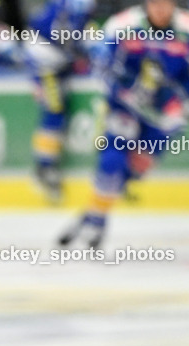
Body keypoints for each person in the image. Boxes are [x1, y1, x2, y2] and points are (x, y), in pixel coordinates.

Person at [59, 0, 189, 248]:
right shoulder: (122, 26)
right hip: (125, 106)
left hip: (163, 112)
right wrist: (125, 88)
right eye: (155, 3)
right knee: (113, 160)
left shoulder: (186, 28)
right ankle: (97, 223)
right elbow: (99, 63)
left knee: (135, 170)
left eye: (166, 3)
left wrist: (180, 104)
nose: (160, 9)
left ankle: (90, 214)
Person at [23, 0, 98, 202]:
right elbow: (65, 33)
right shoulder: (70, 6)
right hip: (45, 62)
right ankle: (44, 166)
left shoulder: (74, 6)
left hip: (55, 60)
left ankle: (45, 166)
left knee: (55, 110)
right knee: (54, 110)